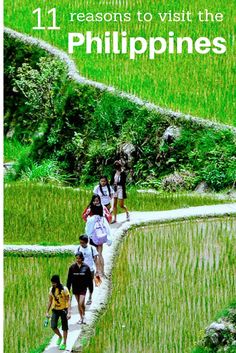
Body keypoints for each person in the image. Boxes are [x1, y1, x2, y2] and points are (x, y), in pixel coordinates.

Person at [82, 194, 112, 277]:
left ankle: (97, 272)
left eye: (96, 201)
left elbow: (84, 217)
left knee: (95, 255)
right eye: (95, 201)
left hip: (92, 236)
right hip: (101, 235)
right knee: (100, 254)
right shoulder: (103, 208)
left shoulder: (90, 209)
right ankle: (102, 272)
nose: (96, 202)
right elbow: (109, 217)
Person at [66, 251, 93, 324]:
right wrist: (67, 289)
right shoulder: (72, 267)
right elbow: (69, 279)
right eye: (76, 258)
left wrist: (91, 289)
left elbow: (89, 279)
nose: (77, 260)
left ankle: (84, 316)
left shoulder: (86, 267)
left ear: (82, 258)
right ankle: (81, 318)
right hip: (75, 287)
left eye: (79, 258)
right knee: (79, 303)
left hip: (83, 288)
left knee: (81, 303)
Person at [46, 275, 71, 351]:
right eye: (52, 283)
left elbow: (68, 300)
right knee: (53, 326)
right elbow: (50, 301)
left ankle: (64, 343)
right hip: (55, 310)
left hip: (63, 310)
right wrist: (47, 311)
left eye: (54, 283)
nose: (53, 284)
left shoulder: (64, 289)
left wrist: (69, 312)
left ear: (58, 282)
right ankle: (60, 336)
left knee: (64, 327)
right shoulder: (51, 290)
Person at [75, 234, 100, 305]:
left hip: (90, 269)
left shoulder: (92, 248)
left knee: (89, 284)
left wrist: (97, 270)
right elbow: (76, 259)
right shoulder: (78, 248)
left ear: (87, 242)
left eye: (82, 242)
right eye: (80, 242)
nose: (81, 244)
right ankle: (83, 298)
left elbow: (96, 260)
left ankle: (90, 297)